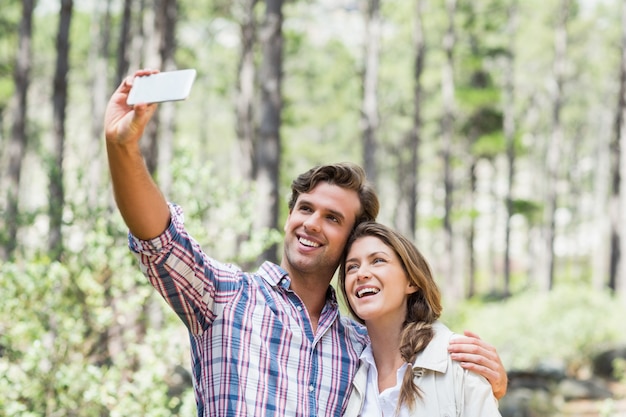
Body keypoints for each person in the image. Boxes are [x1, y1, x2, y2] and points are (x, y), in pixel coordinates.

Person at [104, 69, 507, 416]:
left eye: (332, 218)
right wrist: (122, 147)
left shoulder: (360, 347)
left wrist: (483, 384)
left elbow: (422, 381)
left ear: (350, 238)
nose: (311, 223)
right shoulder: (224, 298)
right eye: (305, 209)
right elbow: (158, 239)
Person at [339, 221, 502, 416]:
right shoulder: (348, 369)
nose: (361, 274)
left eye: (378, 261)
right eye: (352, 267)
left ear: (412, 281)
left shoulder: (458, 361)